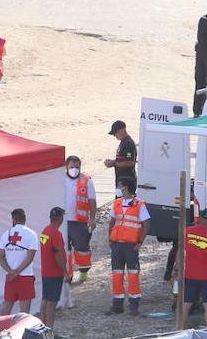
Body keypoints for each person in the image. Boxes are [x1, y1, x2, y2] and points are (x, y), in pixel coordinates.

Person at [107, 178, 150, 315]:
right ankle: (117, 305)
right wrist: (110, 239)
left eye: (119, 186)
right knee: (117, 274)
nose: (118, 188)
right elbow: (112, 222)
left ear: (125, 187)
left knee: (133, 274)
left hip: (131, 246)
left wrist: (140, 242)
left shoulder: (139, 204)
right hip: (117, 245)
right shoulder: (117, 203)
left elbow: (146, 224)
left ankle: (134, 305)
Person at [0, 208, 38, 314]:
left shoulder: (6, 234)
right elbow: (30, 257)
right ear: (25, 219)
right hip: (25, 276)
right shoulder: (31, 234)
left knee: (6, 306)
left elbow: (0, 257)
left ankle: (0, 329)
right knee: (24, 312)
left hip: (11, 276)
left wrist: (10, 271)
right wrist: (17, 271)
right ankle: (22, 330)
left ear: (13, 220)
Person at [64, 155, 97, 279]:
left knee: (82, 249)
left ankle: (83, 272)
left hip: (80, 222)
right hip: (63, 222)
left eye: (77, 167)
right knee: (65, 250)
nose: (75, 169)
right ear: (66, 166)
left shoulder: (86, 181)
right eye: (72, 167)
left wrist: (92, 219)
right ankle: (68, 274)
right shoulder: (60, 180)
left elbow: (92, 200)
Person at [39, 207, 68, 328]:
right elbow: (58, 255)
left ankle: (42, 327)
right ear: (60, 218)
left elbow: (46, 249)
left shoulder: (45, 231)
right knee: (52, 303)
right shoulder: (56, 234)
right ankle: (49, 330)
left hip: (46, 271)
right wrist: (65, 271)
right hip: (55, 273)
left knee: (45, 300)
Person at [105, 120, 137, 197]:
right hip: (121, 180)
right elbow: (122, 159)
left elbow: (130, 162)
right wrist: (112, 162)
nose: (115, 136)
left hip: (127, 182)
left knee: (124, 204)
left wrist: (114, 163)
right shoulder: (123, 142)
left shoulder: (128, 143)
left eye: (115, 133)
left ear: (122, 131)